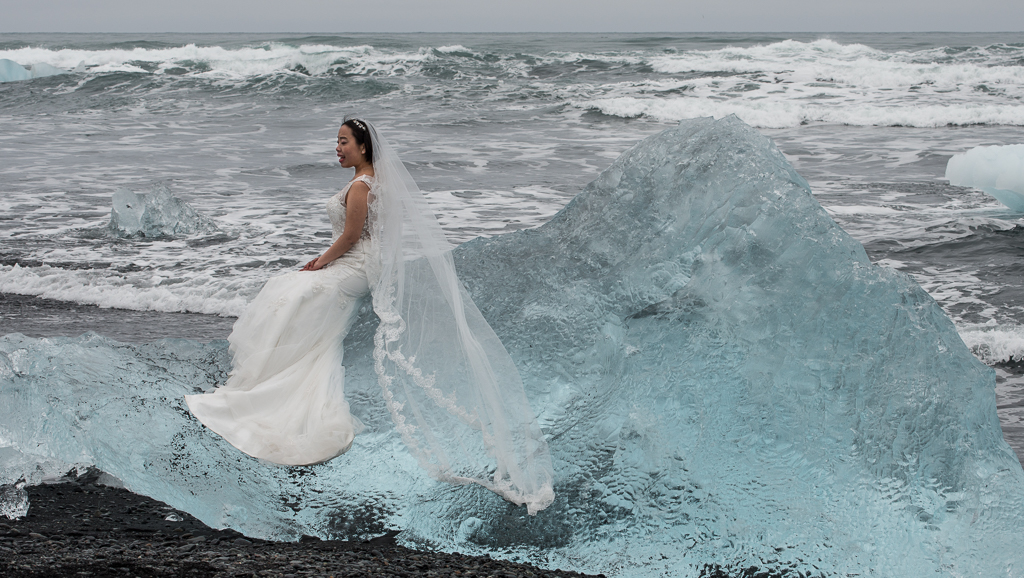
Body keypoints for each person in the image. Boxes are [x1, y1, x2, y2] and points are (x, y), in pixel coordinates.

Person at [186, 119, 554, 514]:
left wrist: (319, 263)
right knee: (294, 296)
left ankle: (268, 382)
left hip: (354, 267)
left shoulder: (362, 186)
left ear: (363, 146)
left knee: (291, 289)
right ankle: (277, 371)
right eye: (336, 141)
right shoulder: (371, 182)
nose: (337, 148)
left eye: (344, 141)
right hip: (357, 264)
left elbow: (350, 237)